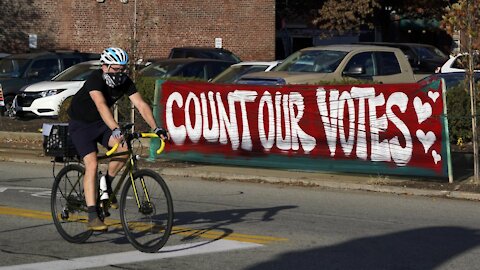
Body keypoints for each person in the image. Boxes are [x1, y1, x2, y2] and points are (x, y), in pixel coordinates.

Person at [67, 47, 169, 230]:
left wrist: (156, 127)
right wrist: (115, 127)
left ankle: (105, 183)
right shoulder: (95, 79)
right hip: (81, 125)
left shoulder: (124, 82)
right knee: (92, 163)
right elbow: (101, 105)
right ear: (104, 67)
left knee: (124, 149)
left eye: (123, 69)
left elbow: (140, 104)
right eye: (116, 69)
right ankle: (92, 216)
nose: (120, 73)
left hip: (101, 124)